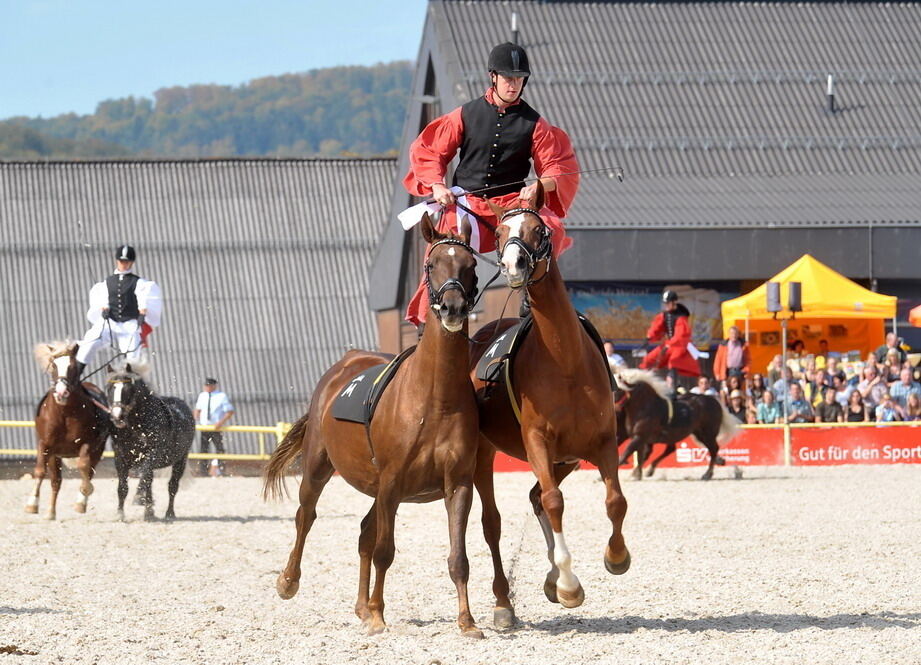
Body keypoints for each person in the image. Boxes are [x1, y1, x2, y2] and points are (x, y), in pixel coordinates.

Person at [401, 42, 580, 326]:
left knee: (552, 227)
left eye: (519, 79)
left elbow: (559, 165)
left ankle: (534, 295)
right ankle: (428, 319)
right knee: (439, 246)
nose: (514, 85)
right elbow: (429, 151)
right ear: (493, 77)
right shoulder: (464, 114)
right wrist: (437, 185)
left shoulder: (536, 124)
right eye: (508, 78)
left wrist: (540, 185)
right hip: (466, 205)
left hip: (511, 205)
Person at [75, 245, 162, 376]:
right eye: (122, 262)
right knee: (90, 341)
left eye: (127, 262)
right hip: (110, 322)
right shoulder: (106, 283)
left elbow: (143, 299)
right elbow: (102, 299)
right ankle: (76, 372)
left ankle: (133, 381)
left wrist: (142, 313)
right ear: (117, 261)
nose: (124, 265)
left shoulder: (139, 283)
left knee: (134, 352)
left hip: (129, 324)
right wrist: (103, 308)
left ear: (131, 263)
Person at [640, 290, 700, 390]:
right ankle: (644, 383)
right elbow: (657, 327)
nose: (666, 305)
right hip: (669, 344)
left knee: (674, 361)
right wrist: (649, 338)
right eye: (665, 303)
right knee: (648, 359)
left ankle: (674, 385)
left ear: (674, 302)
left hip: (680, 345)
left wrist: (669, 344)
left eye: (668, 303)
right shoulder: (664, 315)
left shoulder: (681, 317)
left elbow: (681, 336)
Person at [192, 378, 235, 476]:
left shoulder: (221, 396)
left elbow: (230, 411)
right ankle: (203, 472)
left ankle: (221, 470)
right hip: (204, 427)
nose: (206, 387)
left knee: (219, 449)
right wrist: (196, 417)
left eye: (209, 385)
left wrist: (220, 422)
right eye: (206, 385)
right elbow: (197, 409)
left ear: (214, 385)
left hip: (216, 427)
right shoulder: (202, 395)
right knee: (203, 449)